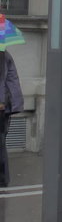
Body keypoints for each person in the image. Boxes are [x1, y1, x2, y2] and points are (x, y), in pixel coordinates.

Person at [0, 49, 23, 187]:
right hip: (4, 105)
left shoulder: (2, 55)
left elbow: (1, 82)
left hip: (2, 106)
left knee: (0, 143)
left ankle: (2, 179)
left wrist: (1, 103)